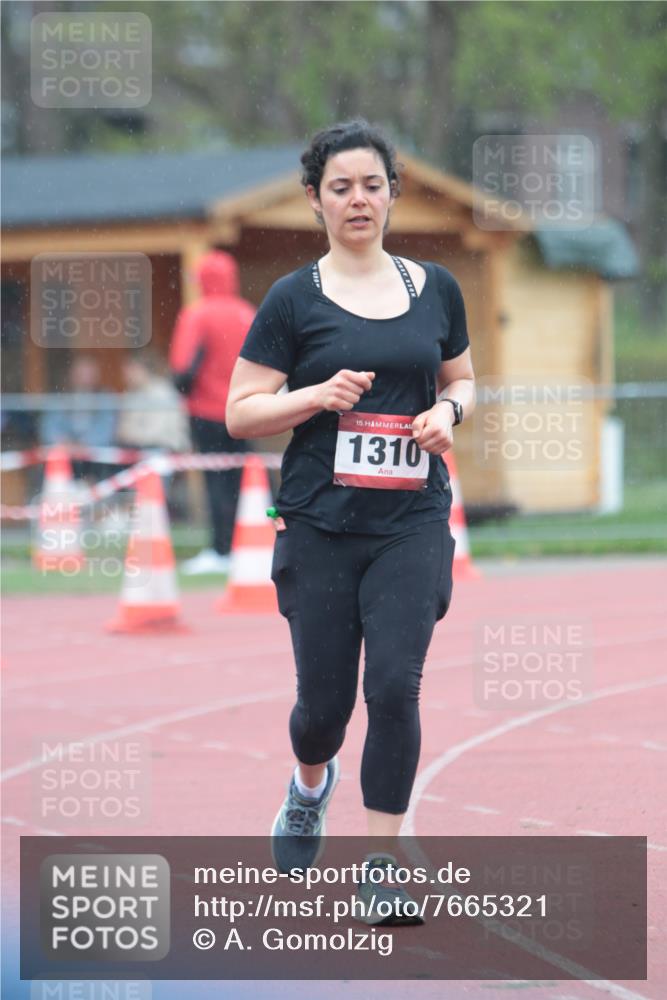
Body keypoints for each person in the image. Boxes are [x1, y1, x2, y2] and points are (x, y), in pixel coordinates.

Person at [226, 119, 476, 924]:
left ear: (392, 194)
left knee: (395, 686)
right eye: (340, 187)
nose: (358, 199)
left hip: (411, 519)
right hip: (320, 525)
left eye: (371, 185)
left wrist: (446, 412)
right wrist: (314, 395)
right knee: (323, 711)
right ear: (315, 200)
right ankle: (308, 788)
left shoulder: (436, 287)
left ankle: (380, 865)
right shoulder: (291, 299)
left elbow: (463, 379)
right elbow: (240, 411)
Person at [169, 250, 256, 575]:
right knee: (244, 480)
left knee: (215, 481)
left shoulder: (197, 315)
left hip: (207, 412)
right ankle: (248, 544)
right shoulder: (248, 313)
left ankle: (221, 549)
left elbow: (182, 371)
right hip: (246, 411)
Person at [39, 354, 117, 482]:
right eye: (80, 373)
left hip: (95, 457)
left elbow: (106, 429)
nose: (84, 378)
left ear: (96, 375)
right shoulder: (59, 397)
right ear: (72, 374)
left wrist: (84, 445)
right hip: (65, 454)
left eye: (88, 374)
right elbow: (49, 427)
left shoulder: (105, 397)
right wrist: (65, 443)